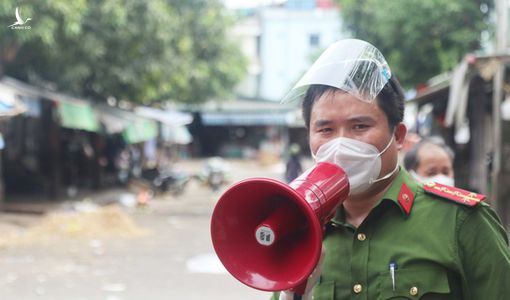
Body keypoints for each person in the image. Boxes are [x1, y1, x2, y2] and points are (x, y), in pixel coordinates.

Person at [270, 39, 510, 300]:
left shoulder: (461, 222)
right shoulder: (300, 229)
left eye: (360, 126)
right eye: (325, 129)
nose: (341, 143)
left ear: (398, 136)